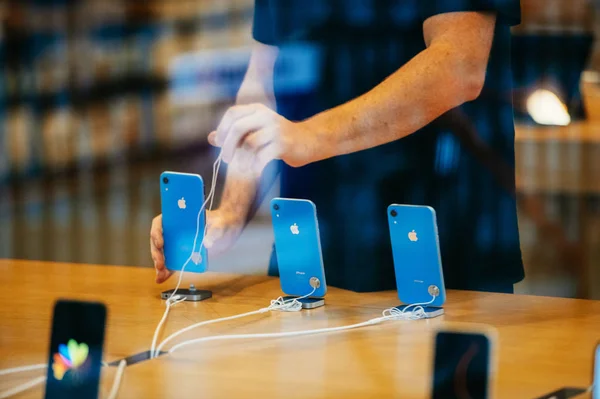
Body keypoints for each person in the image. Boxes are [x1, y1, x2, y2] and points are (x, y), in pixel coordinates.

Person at [151, 0, 525, 294]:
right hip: (310, 249)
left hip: (439, 247)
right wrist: (229, 216)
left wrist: (307, 136)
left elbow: (458, 66)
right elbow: (265, 81)